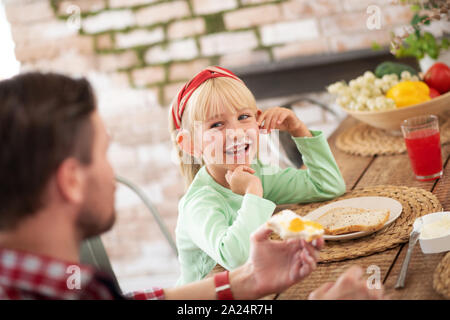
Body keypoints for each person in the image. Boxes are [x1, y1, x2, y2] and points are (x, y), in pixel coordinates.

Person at [0, 72, 383, 300]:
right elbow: (233, 257)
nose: (113, 174)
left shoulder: (76, 288)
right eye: (104, 152)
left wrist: (246, 282)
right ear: (70, 179)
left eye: (243, 117)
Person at [169, 66, 346, 285]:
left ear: (259, 121)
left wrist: (298, 129)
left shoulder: (258, 172)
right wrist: (253, 191)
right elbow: (239, 258)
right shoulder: (200, 203)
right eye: (216, 124)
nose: (237, 132)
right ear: (190, 145)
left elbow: (327, 186)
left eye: (243, 117)